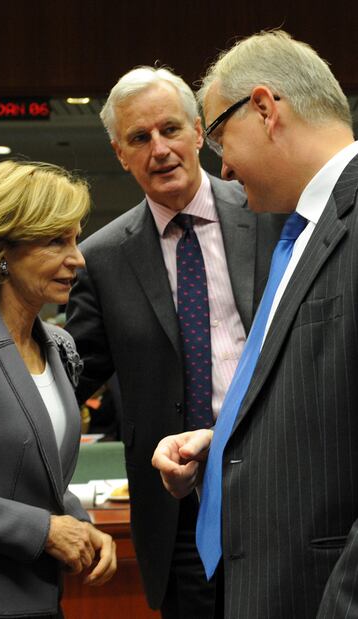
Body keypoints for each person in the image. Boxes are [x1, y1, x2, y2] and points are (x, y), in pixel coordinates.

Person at [152, 29, 358, 618]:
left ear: (265, 109)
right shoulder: (299, 233)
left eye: (217, 135)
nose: (220, 163)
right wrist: (230, 447)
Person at [65, 66, 282, 618]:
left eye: (170, 129)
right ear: (119, 152)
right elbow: (70, 378)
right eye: (140, 138)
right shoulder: (103, 258)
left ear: (198, 131)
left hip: (282, 487)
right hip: (180, 514)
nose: (159, 149)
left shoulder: (272, 216)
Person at [0, 160, 116, 619]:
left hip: (43, 603)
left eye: (76, 238)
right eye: (56, 241)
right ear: (0, 250)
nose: (78, 258)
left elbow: (39, 477)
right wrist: (44, 530)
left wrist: (79, 524)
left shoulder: (57, 344)